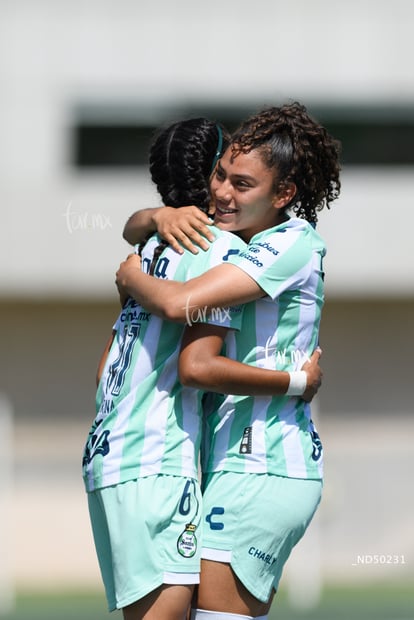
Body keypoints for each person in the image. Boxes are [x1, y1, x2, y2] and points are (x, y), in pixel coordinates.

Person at [83, 116, 323, 620]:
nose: (225, 192)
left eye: (241, 182)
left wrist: (132, 273)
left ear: (283, 193)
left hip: (257, 464)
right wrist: (151, 219)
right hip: (194, 464)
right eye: (221, 176)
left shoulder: (249, 247)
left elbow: (182, 334)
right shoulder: (211, 245)